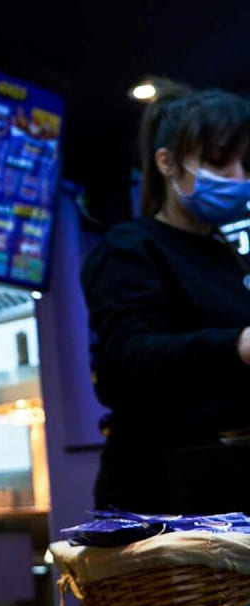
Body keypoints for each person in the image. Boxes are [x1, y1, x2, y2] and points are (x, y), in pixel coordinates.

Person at [80, 78, 250, 514]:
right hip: (161, 497)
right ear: (167, 163)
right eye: (217, 162)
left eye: (244, 164)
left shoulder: (229, 256)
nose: (237, 178)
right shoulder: (131, 248)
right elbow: (125, 361)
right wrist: (236, 345)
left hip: (231, 484)